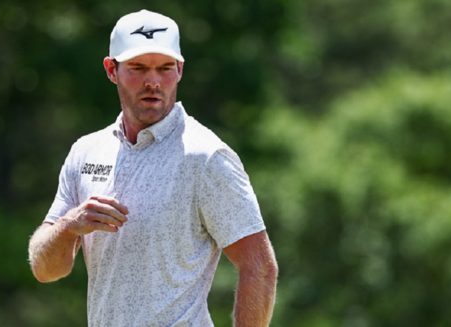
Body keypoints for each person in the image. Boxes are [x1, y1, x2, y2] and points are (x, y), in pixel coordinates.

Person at [28, 9, 278, 327]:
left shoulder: (206, 156)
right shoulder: (87, 151)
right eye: (138, 68)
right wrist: (69, 226)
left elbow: (259, 266)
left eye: (164, 68)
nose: (153, 82)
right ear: (111, 69)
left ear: (180, 70)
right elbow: (45, 269)